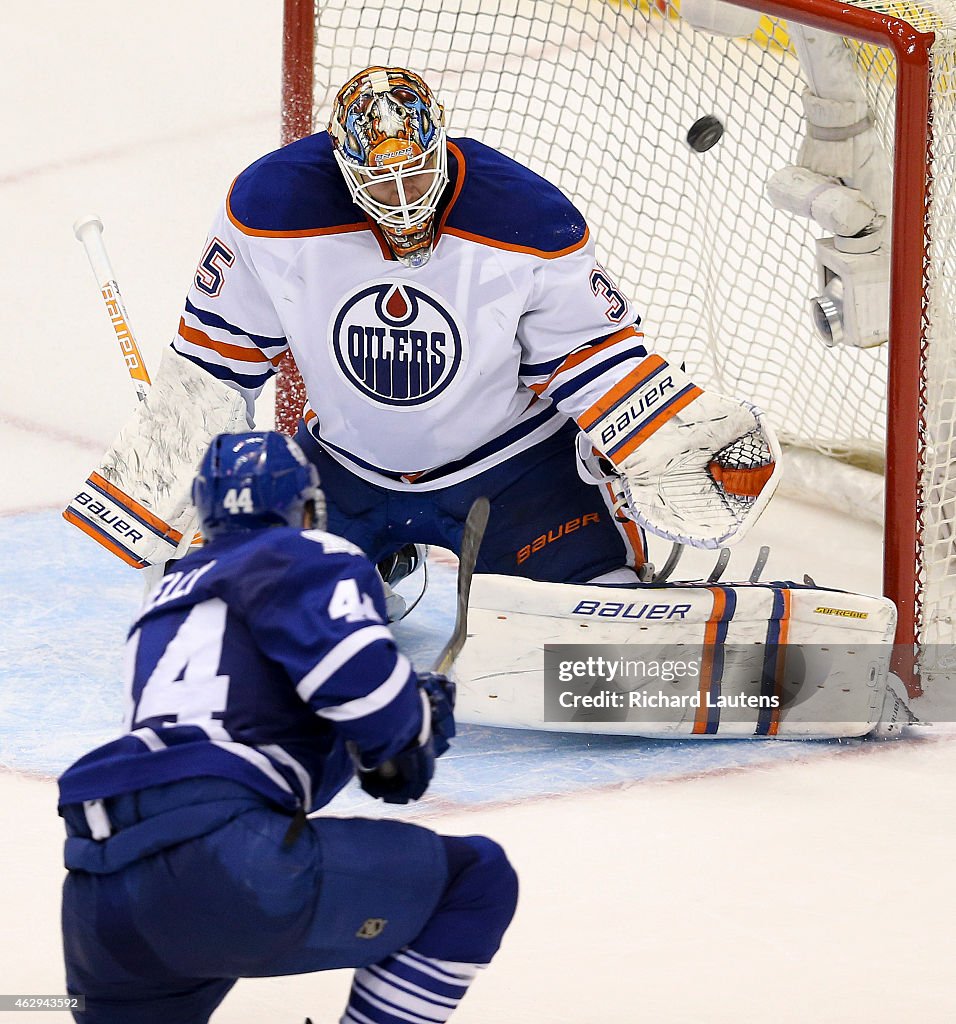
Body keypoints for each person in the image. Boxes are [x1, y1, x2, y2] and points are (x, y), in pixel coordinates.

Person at [65, 64, 777, 596]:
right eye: (380, 184)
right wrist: (162, 489)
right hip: (346, 468)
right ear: (343, 166)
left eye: (415, 176)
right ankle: (368, 556)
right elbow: (216, 358)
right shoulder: (272, 207)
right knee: (250, 611)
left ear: (441, 144)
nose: (402, 200)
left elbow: (592, 355)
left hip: (514, 472)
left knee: (597, 599)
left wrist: (675, 432)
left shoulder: (525, 218)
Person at [58, 430, 518, 1024]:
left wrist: (385, 743)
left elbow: (250, 732)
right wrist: (412, 722)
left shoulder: (161, 600)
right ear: (306, 509)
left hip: (99, 891)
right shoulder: (308, 556)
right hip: (223, 861)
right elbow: (378, 717)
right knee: (474, 882)